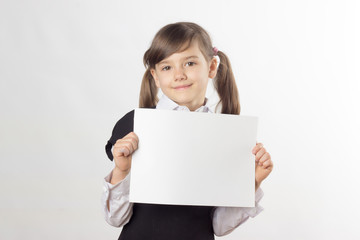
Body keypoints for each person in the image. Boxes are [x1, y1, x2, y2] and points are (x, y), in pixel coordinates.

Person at [102, 22, 273, 240]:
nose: (179, 74)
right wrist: (122, 171)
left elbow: (219, 227)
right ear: (155, 76)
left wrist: (253, 182)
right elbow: (115, 219)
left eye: (189, 63)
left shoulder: (226, 135)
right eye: (167, 67)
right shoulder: (134, 126)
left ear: (212, 67)